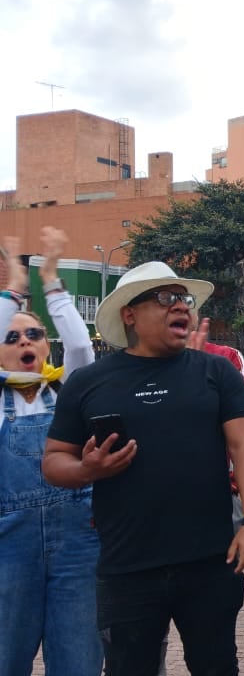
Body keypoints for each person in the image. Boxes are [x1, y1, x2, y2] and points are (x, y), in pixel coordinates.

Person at [44, 261, 244, 675]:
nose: (181, 306)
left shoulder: (216, 373)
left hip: (211, 562)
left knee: (217, 667)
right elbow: (54, 460)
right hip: (127, 567)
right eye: (165, 298)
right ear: (130, 314)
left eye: (184, 299)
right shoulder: (88, 382)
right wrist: (88, 469)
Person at [0, 229, 101, 676]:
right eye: (12, 337)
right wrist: (14, 291)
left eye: (34, 335)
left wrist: (52, 281)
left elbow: (80, 346)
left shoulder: (68, 392)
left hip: (78, 545)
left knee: (78, 661)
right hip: (9, 548)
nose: (26, 343)